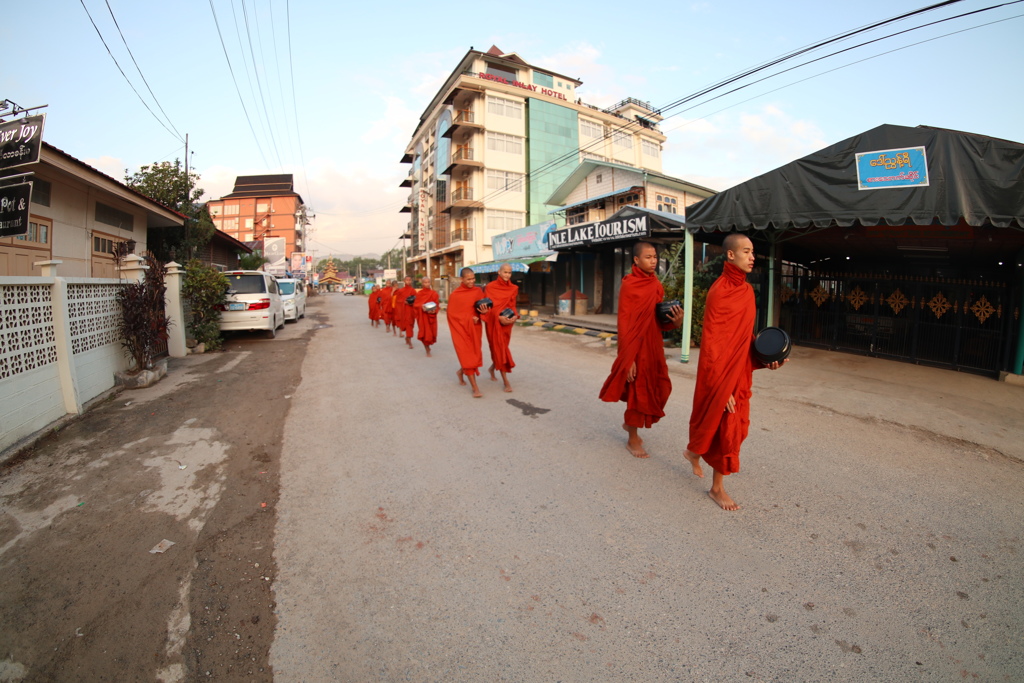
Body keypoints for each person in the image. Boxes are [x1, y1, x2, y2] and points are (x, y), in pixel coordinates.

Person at [683, 233, 786, 511]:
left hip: (739, 371)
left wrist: (767, 359)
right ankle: (717, 489)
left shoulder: (746, 291)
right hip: (722, 374)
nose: (752, 257)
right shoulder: (720, 291)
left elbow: (743, 337)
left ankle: (693, 452)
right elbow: (714, 344)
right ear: (730, 255)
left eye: (753, 252)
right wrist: (721, 386)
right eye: (746, 251)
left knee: (736, 429)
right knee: (727, 430)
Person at [599, 241, 683, 458]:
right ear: (636, 260)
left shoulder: (655, 284)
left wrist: (674, 323)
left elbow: (655, 318)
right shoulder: (630, 285)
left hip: (653, 346)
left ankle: (629, 425)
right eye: (648, 257)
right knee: (638, 393)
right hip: (635, 349)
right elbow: (625, 323)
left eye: (655, 257)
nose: (653, 261)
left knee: (662, 387)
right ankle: (632, 438)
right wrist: (628, 359)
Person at [447, 267, 489, 397]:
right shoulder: (455, 295)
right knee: (467, 356)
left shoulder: (478, 291)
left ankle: (461, 371)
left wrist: (482, 314)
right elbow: (452, 315)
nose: (472, 281)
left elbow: (483, 308)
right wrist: (468, 319)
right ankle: (475, 388)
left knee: (474, 356)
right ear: (462, 279)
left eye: (473, 279)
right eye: (468, 279)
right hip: (460, 330)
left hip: (474, 329)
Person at [483, 263, 520, 392]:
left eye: (509, 273)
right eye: (505, 272)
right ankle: (506, 382)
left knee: (502, 348)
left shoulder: (514, 288)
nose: (507, 275)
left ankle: (492, 368)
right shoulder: (490, 287)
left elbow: (513, 306)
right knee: (499, 348)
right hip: (493, 322)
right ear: (499, 272)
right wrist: (498, 317)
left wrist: (515, 316)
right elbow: (487, 307)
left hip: (507, 323)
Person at [412, 276, 440, 356]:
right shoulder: (420, 294)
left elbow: (437, 304)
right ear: (422, 283)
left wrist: (434, 310)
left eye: (428, 282)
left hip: (431, 316)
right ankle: (427, 349)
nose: (427, 284)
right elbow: (416, 305)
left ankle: (428, 346)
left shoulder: (433, 293)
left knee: (431, 334)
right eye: (425, 282)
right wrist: (422, 307)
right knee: (424, 334)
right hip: (423, 316)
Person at [393, 276, 418, 348]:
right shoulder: (401, 291)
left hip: (411, 311)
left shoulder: (413, 291)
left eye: (410, 280)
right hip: (404, 310)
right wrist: (404, 302)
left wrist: (411, 303)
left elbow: (416, 300)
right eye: (407, 280)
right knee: (407, 325)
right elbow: (398, 301)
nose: (408, 281)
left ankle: (407, 337)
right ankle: (409, 340)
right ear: (404, 281)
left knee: (411, 325)